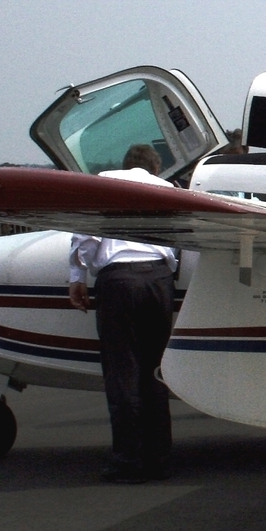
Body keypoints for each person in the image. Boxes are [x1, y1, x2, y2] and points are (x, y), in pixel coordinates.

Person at [68, 144, 179, 483]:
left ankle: (128, 460)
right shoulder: (167, 189)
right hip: (159, 280)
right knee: (155, 371)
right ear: (153, 168)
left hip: (119, 282)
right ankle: (159, 458)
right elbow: (176, 242)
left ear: (126, 163)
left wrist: (77, 278)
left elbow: (84, 237)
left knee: (123, 372)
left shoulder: (103, 183)